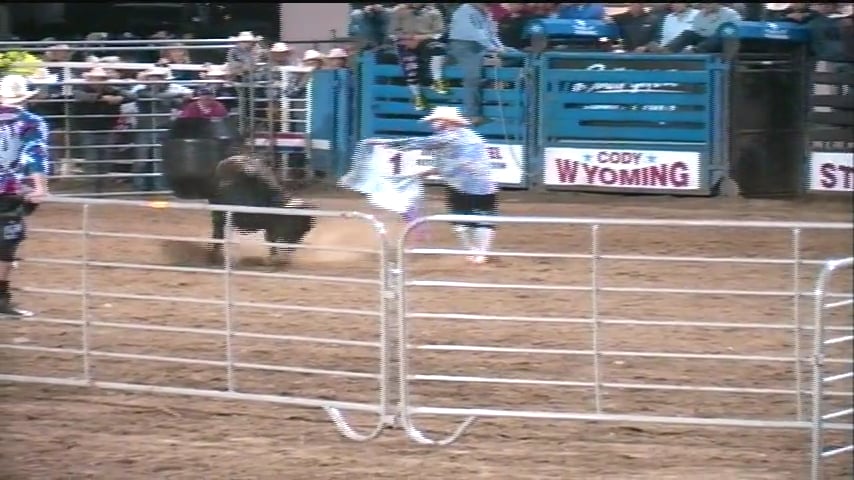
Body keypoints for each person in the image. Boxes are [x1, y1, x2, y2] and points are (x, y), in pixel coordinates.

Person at [375, 106, 498, 264]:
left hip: (473, 185)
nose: (433, 123)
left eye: (436, 120)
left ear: (447, 122)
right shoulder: (462, 137)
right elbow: (454, 162)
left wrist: (390, 144)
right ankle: (477, 252)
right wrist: (425, 172)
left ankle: (477, 252)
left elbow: (424, 143)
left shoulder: (451, 137)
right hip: (470, 184)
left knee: (471, 219)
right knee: (470, 220)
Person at [0, 75, 50, 317]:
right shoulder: (29, 122)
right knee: (7, 244)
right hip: (8, 190)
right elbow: (35, 155)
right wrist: (40, 187)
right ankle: (0, 298)